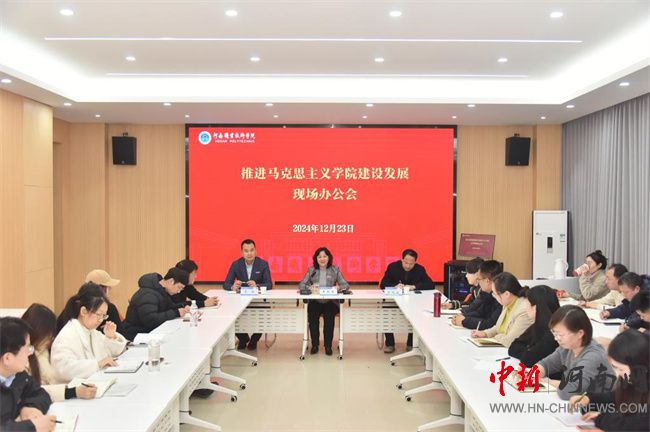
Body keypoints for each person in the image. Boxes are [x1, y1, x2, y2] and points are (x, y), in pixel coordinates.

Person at [569, 330, 649, 431]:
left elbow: (632, 425)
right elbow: (616, 398)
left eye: (621, 369)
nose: (619, 373)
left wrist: (601, 418)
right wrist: (588, 400)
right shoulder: (633, 380)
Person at [51, 283, 127, 381]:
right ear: (84, 311)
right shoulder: (67, 335)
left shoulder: (92, 332)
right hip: (73, 388)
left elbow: (112, 354)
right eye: (98, 315)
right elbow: (63, 369)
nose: (101, 320)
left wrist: (111, 337)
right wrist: (97, 364)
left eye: (104, 316)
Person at [537, 305, 614, 400]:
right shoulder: (567, 347)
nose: (556, 338)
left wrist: (543, 382)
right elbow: (546, 364)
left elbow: (569, 391)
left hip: (600, 406)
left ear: (580, 333)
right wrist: (532, 374)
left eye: (560, 335)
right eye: (554, 333)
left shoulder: (593, 356)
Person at [21, 304, 97, 401]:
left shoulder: (42, 352)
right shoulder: (20, 357)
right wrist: (73, 391)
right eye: (47, 334)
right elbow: (31, 391)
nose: (51, 338)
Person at [1, 317, 56, 432]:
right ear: (7, 358)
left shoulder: (18, 375)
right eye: (27, 348)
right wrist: (32, 427)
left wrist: (29, 407)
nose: (30, 353)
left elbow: (40, 394)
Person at [380, 249, 434, 353]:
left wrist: (414, 286)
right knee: (386, 312)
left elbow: (430, 285)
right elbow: (383, 284)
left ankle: (410, 343)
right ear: (402, 260)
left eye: (411, 264)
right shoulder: (392, 267)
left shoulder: (420, 269)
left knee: (416, 314)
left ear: (415, 262)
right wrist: (395, 286)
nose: (408, 266)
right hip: (394, 300)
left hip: (412, 301)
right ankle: (390, 343)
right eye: (405, 262)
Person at [224, 239, 273, 350]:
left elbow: (269, 284)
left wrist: (257, 286)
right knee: (230, 313)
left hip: (258, 300)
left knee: (265, 314)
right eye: (246, 251)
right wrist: (233, 286)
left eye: (252, 250)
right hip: (240, 300)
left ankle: (254, 340)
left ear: (255, 250)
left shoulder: (263, 264)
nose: (249, 253)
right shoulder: (236, 264)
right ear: (242, 252)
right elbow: (226, 284)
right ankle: (243, 338)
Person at [299, 247, 349, 356]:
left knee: (329, 316)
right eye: (319, 257)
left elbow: (345, 285)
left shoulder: (335, 270)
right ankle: (315, 345)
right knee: (313, 316)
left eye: (324, 256)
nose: (322, 259)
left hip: (330, 301)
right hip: (315, 301)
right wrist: (310, 287)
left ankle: (328, 346)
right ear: (316, 259)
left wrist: (338, 288)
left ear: (329, 257)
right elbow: (302, 285)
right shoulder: (311, 270)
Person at [120, 267, 191, 341]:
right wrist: (176, 312)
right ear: (171, 281)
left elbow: (169, 307)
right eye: (179, 287)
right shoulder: (148, 294)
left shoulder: (160, 291)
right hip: (135, 335)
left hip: (147, 331)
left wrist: (182, 307)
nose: (179, 291)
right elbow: (151, 320)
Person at [471, 272, 533, 347]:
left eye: (495, 294)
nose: (494, 296)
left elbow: (510, 341)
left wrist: (495, 337)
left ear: (507, 294)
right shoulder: (508, 303)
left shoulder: (524, 310)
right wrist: (485, 333)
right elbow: (498, 328)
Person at [508, 285, 560, 368]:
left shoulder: (554, 332)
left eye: (527, 304)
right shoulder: (537, 325)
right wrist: (529, 352)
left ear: (535, 307)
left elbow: (527, 360)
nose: (526, 308)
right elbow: (513, 347)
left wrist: (529, 352)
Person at [451, 259, 503, 331]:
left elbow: (489, 324)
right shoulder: (487, 293)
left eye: (479, 279)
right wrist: (462, 317)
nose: (478, 283)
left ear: (487, 281)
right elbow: (480, 313)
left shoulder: (501, 298)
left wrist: (464, 321)